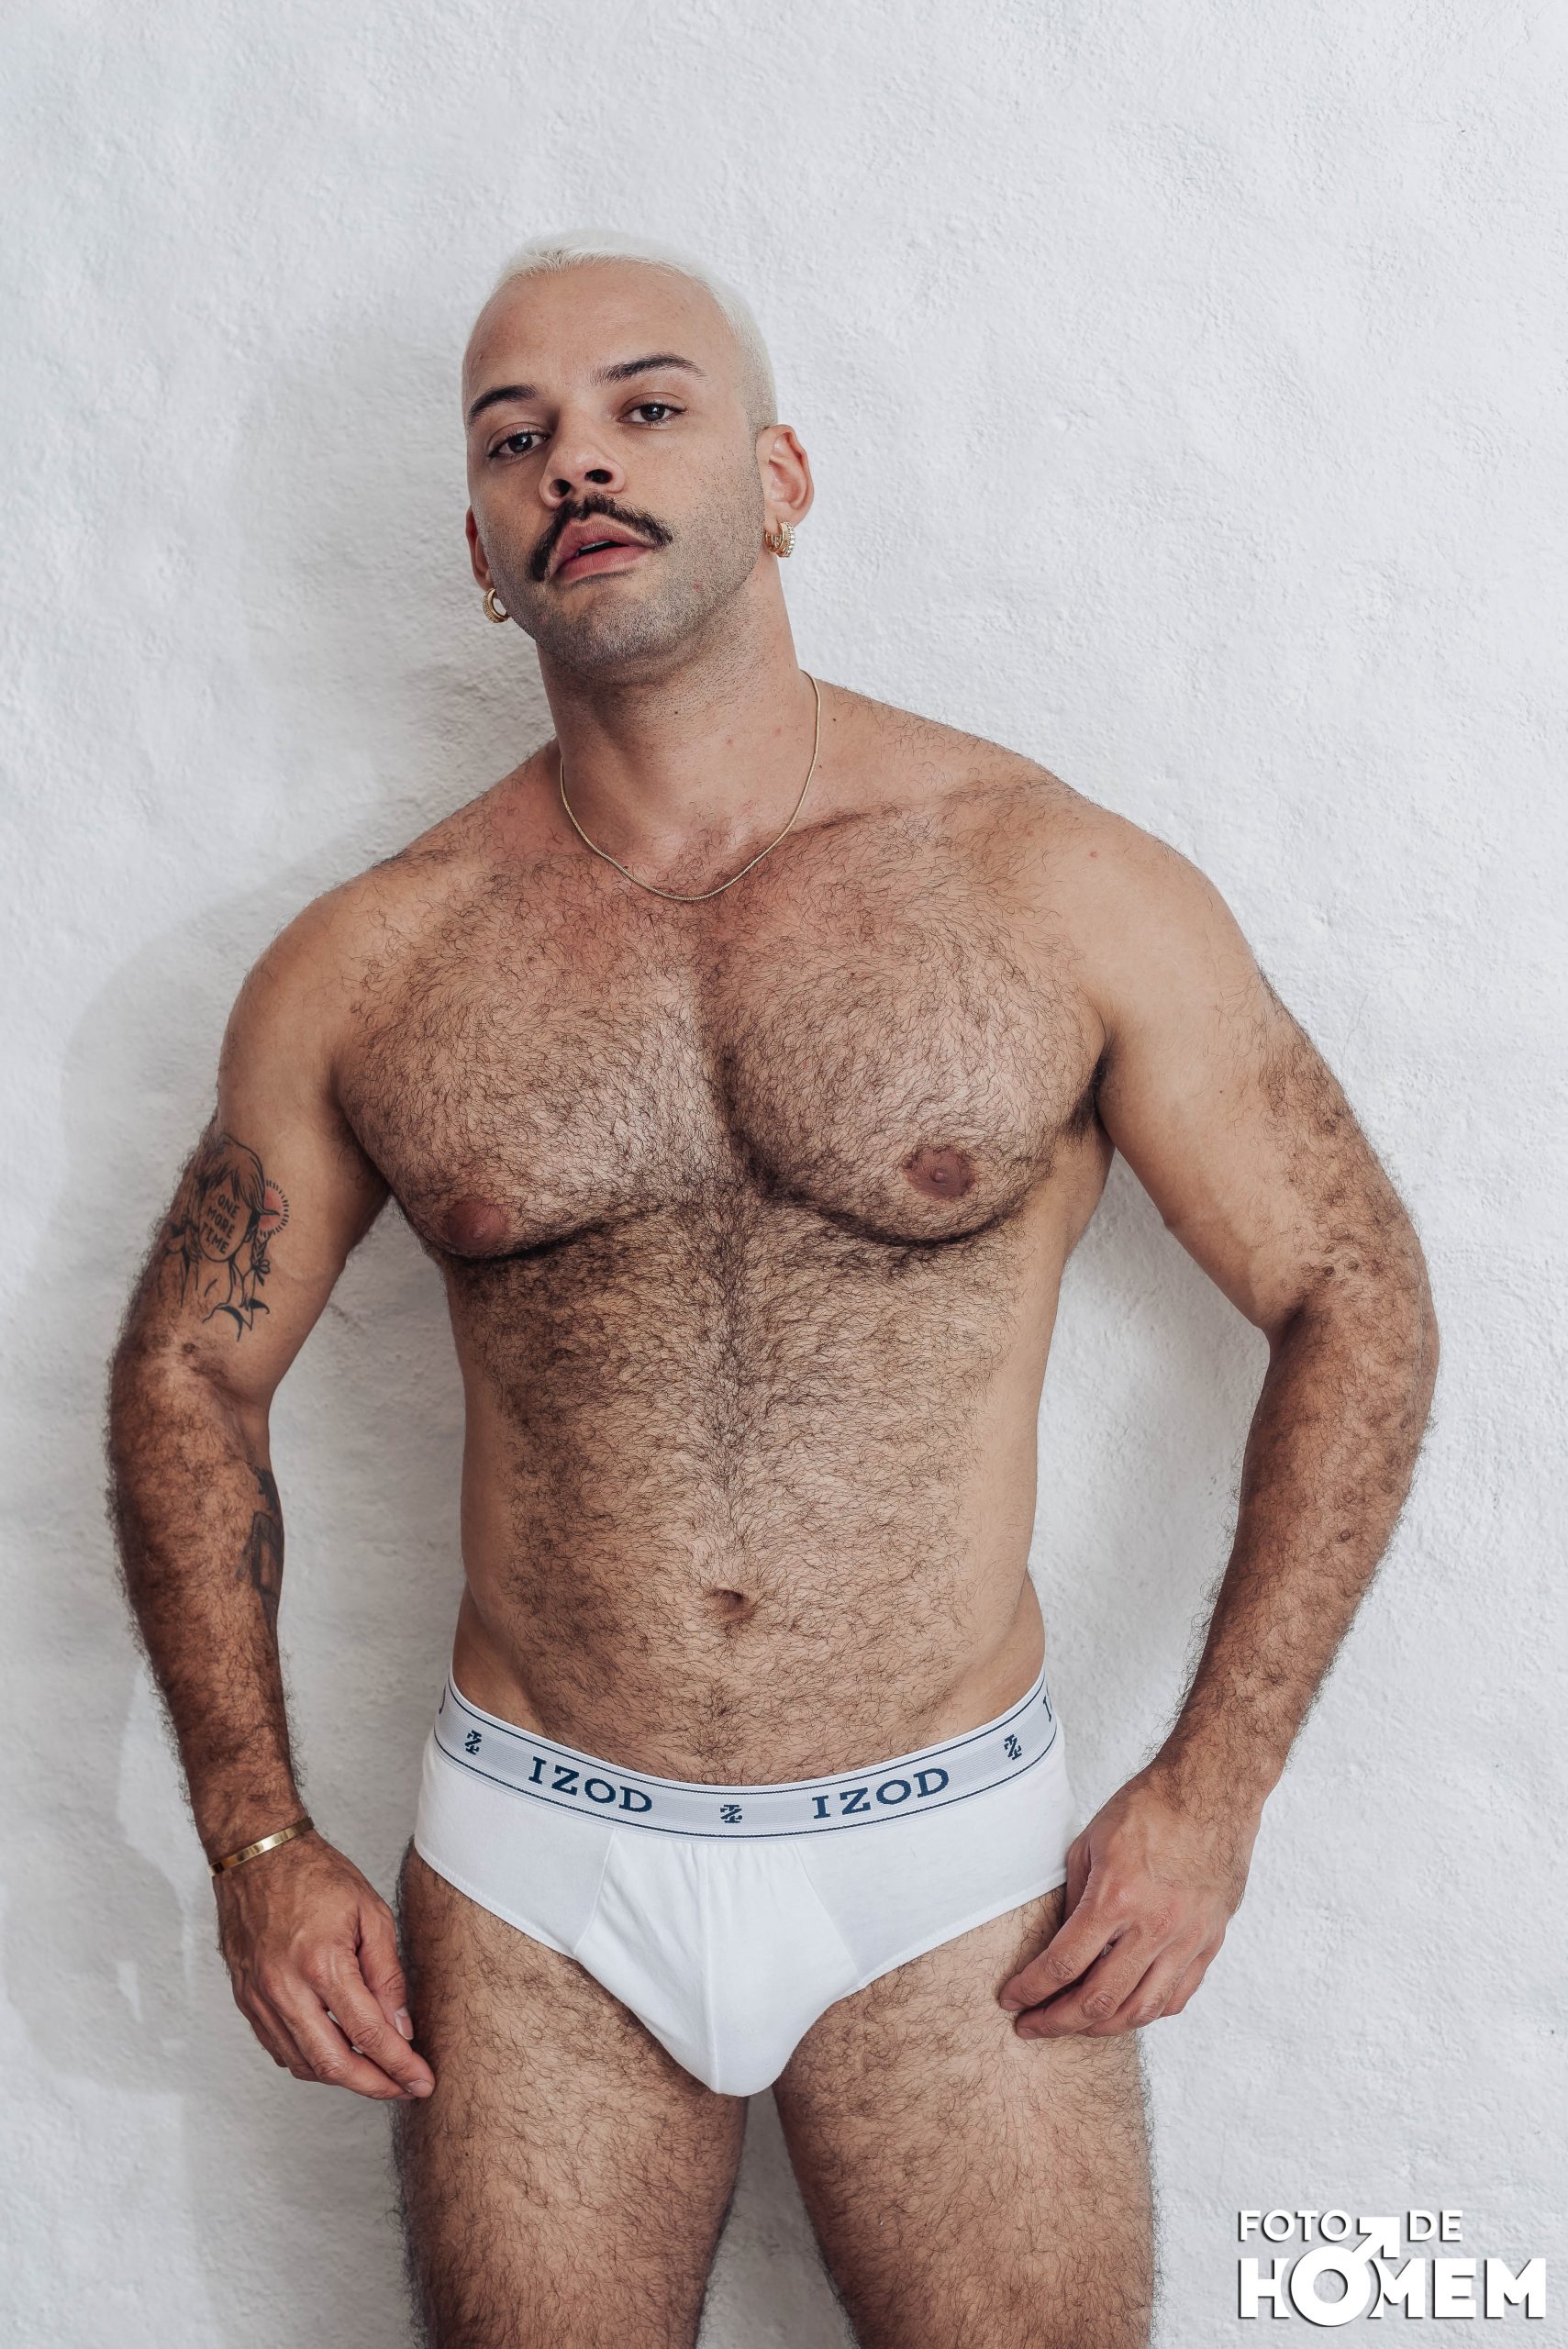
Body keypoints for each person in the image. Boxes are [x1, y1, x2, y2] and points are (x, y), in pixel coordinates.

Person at [106, 229, 1440, 2349]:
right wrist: (255, 1835)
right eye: (516, 438)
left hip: (951, 1864)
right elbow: (189, 1369)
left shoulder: (1051, 881)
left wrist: (1217, 1787)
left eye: (649, 406)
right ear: (480, 557)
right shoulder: (378, 961)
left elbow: (1352, 1285)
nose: (580, 462)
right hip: (539, 1872)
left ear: (782, 476)